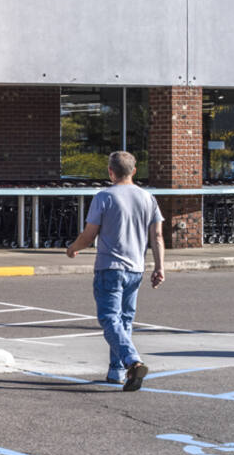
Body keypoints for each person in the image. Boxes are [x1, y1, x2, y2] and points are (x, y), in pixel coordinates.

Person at [66, 150, 166, 391]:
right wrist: (159, 266)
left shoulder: (104, 197)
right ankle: (116, 371)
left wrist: (73, 248)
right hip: (135, 268)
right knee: (125, 320)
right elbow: (157, 236)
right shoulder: (148, 198)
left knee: (110, 318)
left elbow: (89, 234)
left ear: (110, 172)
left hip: (109, 267)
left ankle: (132, 361)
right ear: (134, 171)